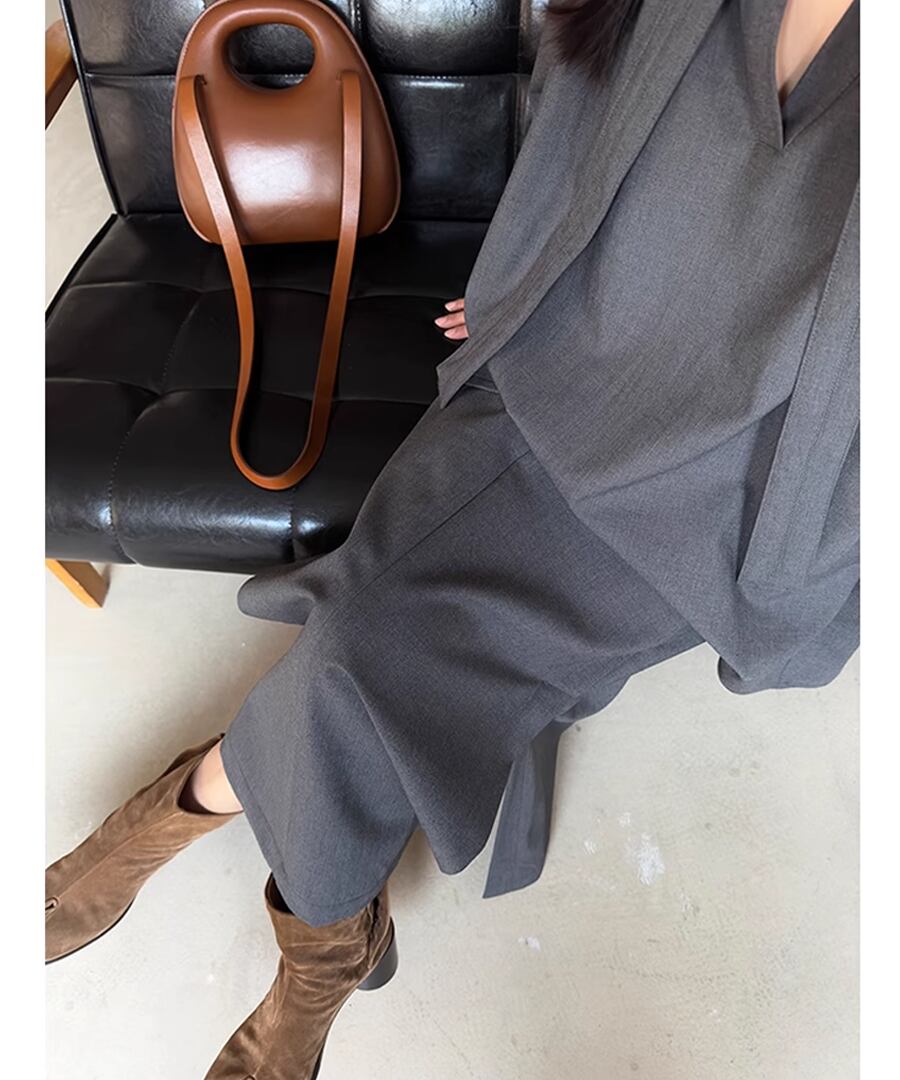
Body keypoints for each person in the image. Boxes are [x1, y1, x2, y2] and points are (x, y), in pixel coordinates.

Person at [45, 1, 859, 1076]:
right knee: (356, 649)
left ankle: (211, 834)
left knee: (353, 654)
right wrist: (524, 269)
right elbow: (581, 99)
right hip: (557, 360)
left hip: (723, 481)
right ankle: (319, 945)